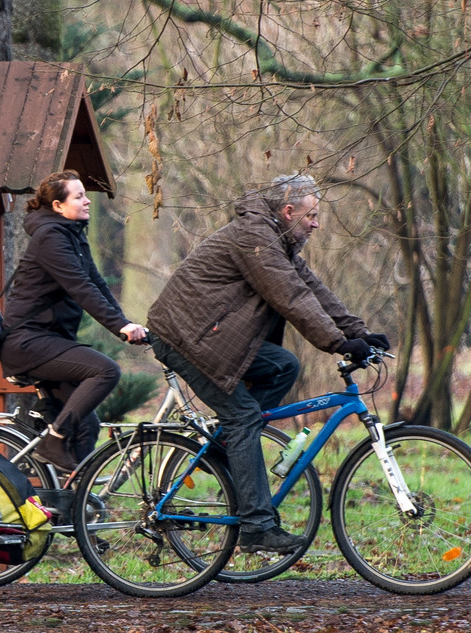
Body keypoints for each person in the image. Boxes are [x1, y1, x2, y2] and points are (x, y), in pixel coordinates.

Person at [146, 173, 391, 555]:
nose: (316, 223)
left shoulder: (279, 240)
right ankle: (257, 527)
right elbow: (290, 296)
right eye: (312, 215)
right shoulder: (255, 238)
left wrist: (359, 331)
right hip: (184, 336)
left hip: (215, 338)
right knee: (243, 417)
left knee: (283, 366)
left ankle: (226, 449)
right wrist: (339, 343)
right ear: (288, 211)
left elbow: (313, 289)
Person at [0, 170, 146, 472]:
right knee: (105, 371)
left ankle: (73, 506)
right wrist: (119, 327)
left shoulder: (71, 233)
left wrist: (126, 323)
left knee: (86, 426)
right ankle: (53, 440)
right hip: (27, 341)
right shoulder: (50, 237)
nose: (87, 201)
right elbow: (79, 287)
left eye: (85, 195)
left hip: (49, 341)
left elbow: (97, 282)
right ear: (57, 205)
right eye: (78, 196)